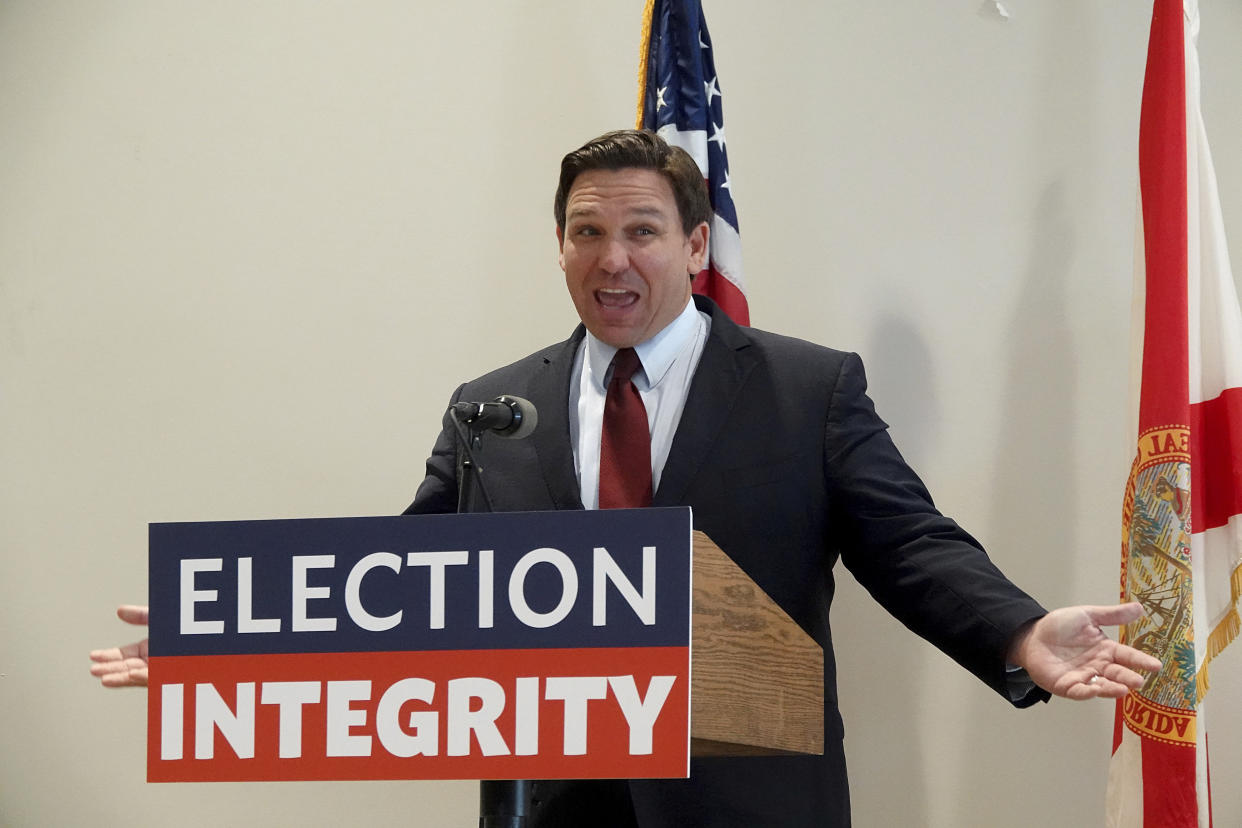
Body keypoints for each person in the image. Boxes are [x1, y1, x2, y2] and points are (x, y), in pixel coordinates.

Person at [91, 129, 1161, 827]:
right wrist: (231, 645)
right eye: (587, 232)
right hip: (553, 805)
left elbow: (911, 544)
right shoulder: (489, 407)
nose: (614, 258)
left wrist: (1019, 631)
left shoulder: (807, 389)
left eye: (642, 231)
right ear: (559, 247)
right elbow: (403, 584)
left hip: (747, 800)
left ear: (696, 246)